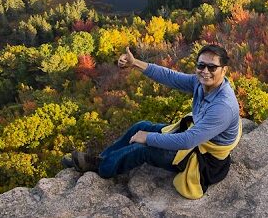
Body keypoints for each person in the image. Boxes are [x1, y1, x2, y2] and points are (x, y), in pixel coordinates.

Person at [63, 44, 242, 199]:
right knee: (141, 126)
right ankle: (101, 158)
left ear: (223, 70)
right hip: (197, 140)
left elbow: (188, 140)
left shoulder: (223, 107)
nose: (205, 71)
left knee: (142, 149)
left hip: (205, 160)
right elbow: (170, 77)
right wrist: (135, 64)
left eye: (212, 67)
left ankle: (102, 167)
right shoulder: (201, 82)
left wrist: (148, 138)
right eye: (201, 65)